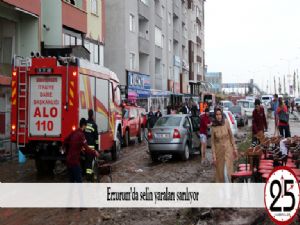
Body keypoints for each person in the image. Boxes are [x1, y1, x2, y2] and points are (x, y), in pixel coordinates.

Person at [63, 118, 100, 183]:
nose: (85, 128)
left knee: (71, 182)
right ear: (83, 125)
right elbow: (87, 148)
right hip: (75, 162)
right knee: (79, 182)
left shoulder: (74, 132)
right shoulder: (81, 135)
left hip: (68, 161)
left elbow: (65, 141)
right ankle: (81, 193)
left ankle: (70, 193)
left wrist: (67, 149)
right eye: (85, 126)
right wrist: (94, 152)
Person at [211, 108, 238, 183]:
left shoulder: (226, 122)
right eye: (217, 115)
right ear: (215, 116)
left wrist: (234, 148)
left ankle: (229, 191)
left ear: (222, 115)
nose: (218, 116)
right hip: (219, 152)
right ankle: (223, 191)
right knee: (221, 174)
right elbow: (212, 142)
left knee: (227, 172)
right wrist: (214, 156)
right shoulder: (213, 126)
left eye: (220, 114)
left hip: (228, 150)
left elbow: (231, 136)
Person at [84, 109, 99, 181]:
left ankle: (88, 175)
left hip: (84, 147)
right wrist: (97, 148)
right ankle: (89, 177)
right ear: (92, 115)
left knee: (87, 161)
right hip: (91, 148)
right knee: (90, 163)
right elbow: (96, 139)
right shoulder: (94, 125)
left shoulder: (85, 123)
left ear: (88, 114)